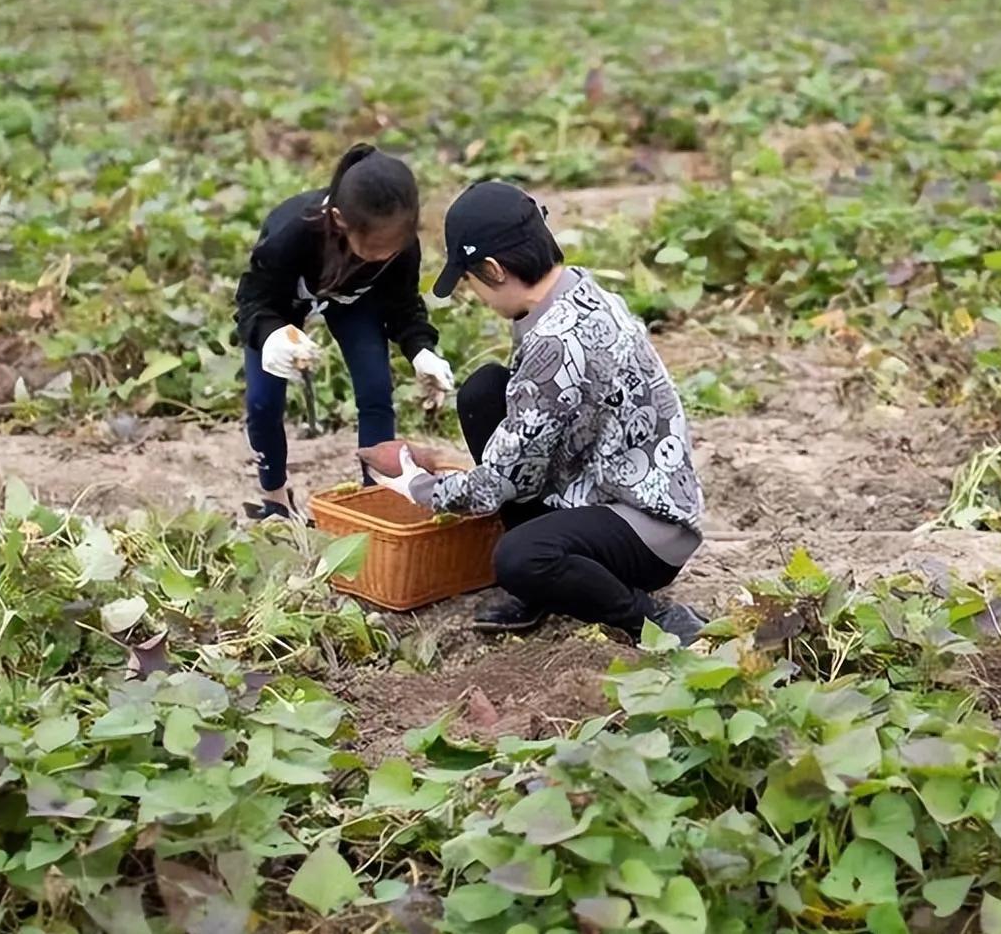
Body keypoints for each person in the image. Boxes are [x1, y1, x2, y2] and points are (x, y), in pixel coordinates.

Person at [375, 181, 707, 645]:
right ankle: (548, 584)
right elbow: (530, 435)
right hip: (608, 479)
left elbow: (498, 483)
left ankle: (651, 621)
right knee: (484, 391)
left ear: (493, 270)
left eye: (470, 282)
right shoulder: (573, 291)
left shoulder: (557, 341)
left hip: (648, 527)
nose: (476, 295)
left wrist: (420, 487)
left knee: (518, 558)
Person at [235, 145, 456, 520]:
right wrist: (271, 335)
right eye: (372, 248)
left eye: (393, 247)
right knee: (262, 400)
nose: (384, 255)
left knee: (375, 389)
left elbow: (403, 305)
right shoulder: (293, 232)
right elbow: (253, 301)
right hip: (281, 303)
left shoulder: (400, 248)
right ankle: (275, 497)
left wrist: (422, 350)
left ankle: (376, 497)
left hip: (354, 302)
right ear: (339, 220)